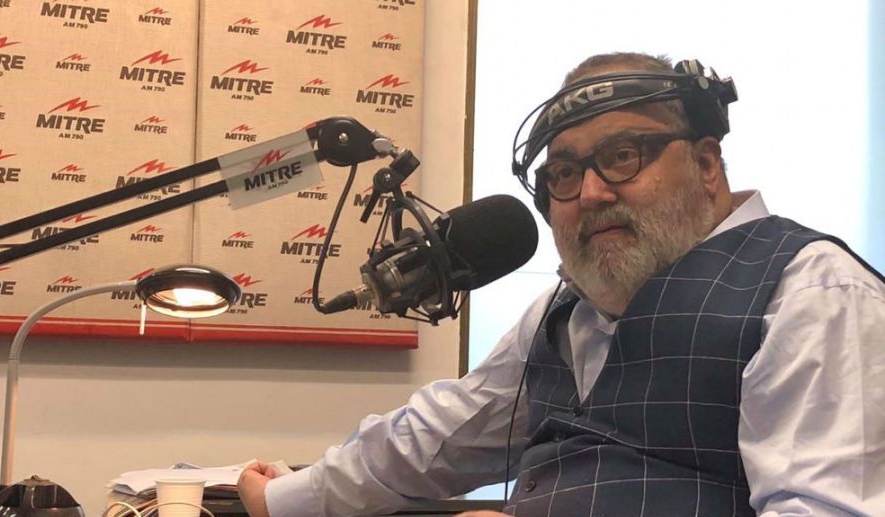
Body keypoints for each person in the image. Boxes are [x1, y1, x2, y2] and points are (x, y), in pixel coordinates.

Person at [238, 52, 885, 516]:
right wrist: (285, 499)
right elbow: (439, 436)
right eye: (565, 174)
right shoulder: (565, 311)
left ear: (706, 163)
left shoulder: (812, 293)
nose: (592, 192)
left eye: (623, 156)